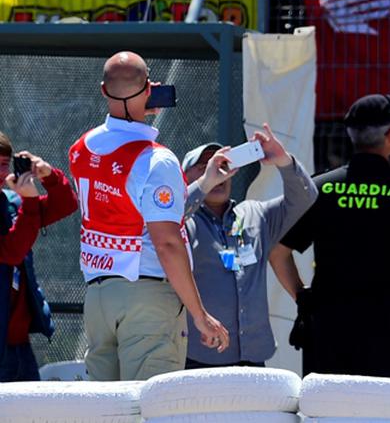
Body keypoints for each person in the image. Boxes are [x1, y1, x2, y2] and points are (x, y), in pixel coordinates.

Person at [70, 51, 231, 381]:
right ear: (148, 89)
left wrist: (136, 109)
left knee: (104, 403)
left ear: (103, 90)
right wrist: (199, 314)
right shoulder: (157, 160)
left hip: (98, 296)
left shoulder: (81, 148)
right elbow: (167, 243)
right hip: (147, 296)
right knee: (149, 402)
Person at [269, 94, 390, 379]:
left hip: (328, 329)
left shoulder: (320, 189)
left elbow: (278, 253)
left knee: (327, 403)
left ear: (351, 136)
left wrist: (303, 297)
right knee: (385, 404)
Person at [180, 126, 317, 369]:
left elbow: (305, 197)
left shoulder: (254, 214)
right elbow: (167, 219)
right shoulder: (183, 221)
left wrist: (283, 160)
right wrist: (204, 184)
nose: (218, 173)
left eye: (223, 165)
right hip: (202, 353)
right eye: (204, 166)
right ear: (186, 177)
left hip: (253, 354)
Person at [0, 135, 77, 382]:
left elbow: (66, 204)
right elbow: (11, 251)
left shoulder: (12, 202)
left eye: (4, 164)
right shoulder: (23, 203)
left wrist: (48, 176)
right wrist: (30, 202)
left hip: (20, 346)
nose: (1, 172)